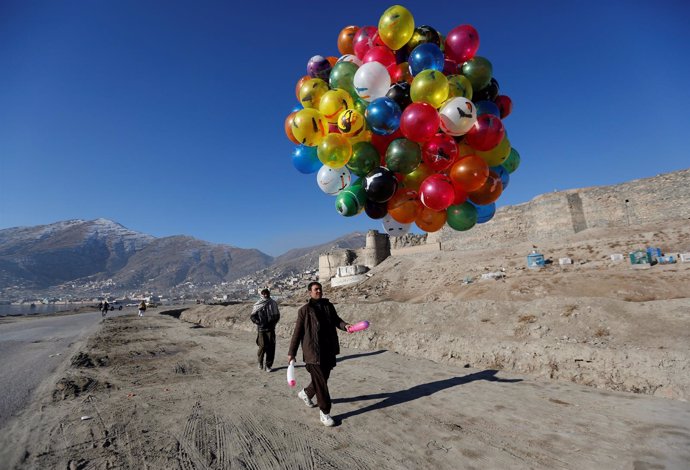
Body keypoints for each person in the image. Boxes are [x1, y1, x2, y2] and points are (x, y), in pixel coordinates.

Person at [288, 282, 350, 427]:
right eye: (316, 289)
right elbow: (297, 333)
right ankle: (325, 412)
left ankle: (306, 393)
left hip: (328, 350)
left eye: (320, 289)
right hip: (312, 353)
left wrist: (345, 326)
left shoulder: (328, 306)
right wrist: (292, 352)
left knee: (323, 379)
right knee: (321, 383)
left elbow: (337, 321)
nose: (319, 291)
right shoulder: (304, 311)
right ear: (309, 292)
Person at [250, 289, 280, 372]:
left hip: (270, 329)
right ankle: (260, 362)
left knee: (271, 347)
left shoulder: (273, 303)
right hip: (261, 329)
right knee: (262, 346)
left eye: (267, 294)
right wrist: (259, 322)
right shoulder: (257, 304)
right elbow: (253, 316)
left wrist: (273, 323)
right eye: (264, 294)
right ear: (261, 295)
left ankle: (268, 365)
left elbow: (277, 315)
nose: (265, 295)